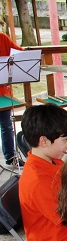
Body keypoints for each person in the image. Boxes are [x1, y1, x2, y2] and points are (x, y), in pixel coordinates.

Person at [19, 104, 67, 241]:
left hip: (65, 238)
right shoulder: (37, 181)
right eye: (65, 140)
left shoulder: (51, 161)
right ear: (44, 141)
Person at [0, 32, 22, 166]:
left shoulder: (2, 38)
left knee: (7, 126)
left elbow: (20, 54)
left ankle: (10, 157)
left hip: (3, 93)